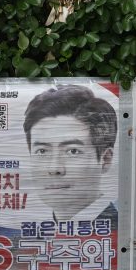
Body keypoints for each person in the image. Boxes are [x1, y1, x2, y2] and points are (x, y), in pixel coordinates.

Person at [22, 84, 117, 227]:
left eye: (73, 151)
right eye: (42, 151)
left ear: (105, 159)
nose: (54, 168)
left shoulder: (118, 229)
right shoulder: (38, 234)